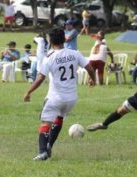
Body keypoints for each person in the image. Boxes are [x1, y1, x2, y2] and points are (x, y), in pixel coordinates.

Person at [24, 27, 95, 161]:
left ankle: (43, 151)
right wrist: (93, 79)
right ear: (64, 39)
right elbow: (90, 68)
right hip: (71, 99)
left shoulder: (49, 57)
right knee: (59, 117)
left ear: (50, 41)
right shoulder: (75, 53)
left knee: (45, 123)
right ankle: (50, 144)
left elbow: (40, 78)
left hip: (56, 98)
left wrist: (29, 91)